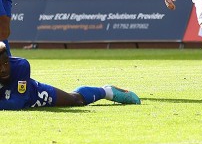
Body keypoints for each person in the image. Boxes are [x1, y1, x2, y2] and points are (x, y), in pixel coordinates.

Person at [0, 44, 141, 110]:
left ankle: (106, 91)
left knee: (76, 100)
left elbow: (17, 102)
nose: (3, 69)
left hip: (34, 95)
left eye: (6, 62)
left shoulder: (21, 65)